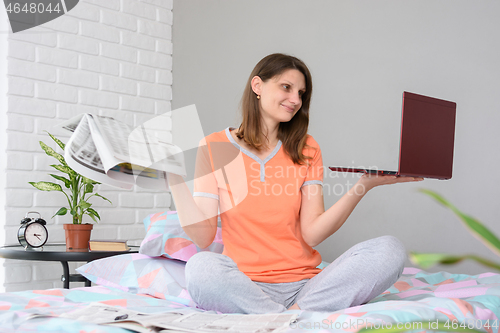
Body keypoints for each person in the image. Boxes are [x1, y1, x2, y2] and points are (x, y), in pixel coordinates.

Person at [167, 53, 423, 314]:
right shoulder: (215, 146)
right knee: (201, 267)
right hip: (244, 287)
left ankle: (283, 318)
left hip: (306, 287)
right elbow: (203, 236)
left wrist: (363, 185)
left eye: (301, 93)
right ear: (257, 86)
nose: (295, 100)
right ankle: (292, 319)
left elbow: (312, 233)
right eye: (286, 87)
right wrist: (173, 177)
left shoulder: (307, 147)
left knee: (389, 250)